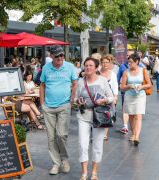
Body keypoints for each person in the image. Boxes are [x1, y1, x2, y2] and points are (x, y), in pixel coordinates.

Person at [39, 45, 78, 175]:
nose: (60, 58)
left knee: (61, 135)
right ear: (51, 57)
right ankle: (56, 163)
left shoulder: (70, 67)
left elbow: (75, 83)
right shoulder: (46, 68)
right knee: (51, 137)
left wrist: (72, 98)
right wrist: (42, 103)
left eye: (62, 55)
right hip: (48, 107)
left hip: (64, 105)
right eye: (57, 56)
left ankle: (65, 159)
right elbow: (42, 85)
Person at [75, 57, 114, 180]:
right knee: (82, 144)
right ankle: (84, 172)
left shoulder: (102, 80)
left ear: (96, 68)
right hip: (83, 116)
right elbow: (75, 99)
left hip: (99, 116)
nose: (88, 67)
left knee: (97, 145)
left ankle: (94, 172)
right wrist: (78, 101)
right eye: (86, 65)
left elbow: (112, 97)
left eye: (91, 65)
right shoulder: (81, 81)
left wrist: (104, 100)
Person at [120, 54, 152, 146]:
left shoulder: (143, 71)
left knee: (138, 116)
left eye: (131, 62)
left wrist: (142, 86)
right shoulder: (126, 72)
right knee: (131, 116)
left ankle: (137, 137)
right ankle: (133, 133)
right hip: (129, 96)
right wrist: (129, 86)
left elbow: (149, 84)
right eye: (128, 62)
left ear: (137, 62)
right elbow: (122, 87)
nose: (129, 64)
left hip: (140, 96)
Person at [117, 50, 137, 134]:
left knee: (134, 111)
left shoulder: (140, 66)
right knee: (125, 109)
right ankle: (125, 126)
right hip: (125, 91)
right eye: (127, 55)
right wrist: (117, 85)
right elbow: (118, 77)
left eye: (130, 55)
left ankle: (134, 127)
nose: (128, 57)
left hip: (136, 92)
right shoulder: (122, 66)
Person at [99, 54, 119, 140]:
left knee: (107, 115)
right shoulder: (97, 72)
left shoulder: (113, 74)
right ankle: (98, 132)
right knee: (98, 114)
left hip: (109, 97)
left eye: (107, 62)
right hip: (98, 97)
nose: (105, 64)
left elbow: (115, 86)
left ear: (110, 63)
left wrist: (115, 97)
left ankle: (104, 134)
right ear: (101, 63)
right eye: (103, 62)